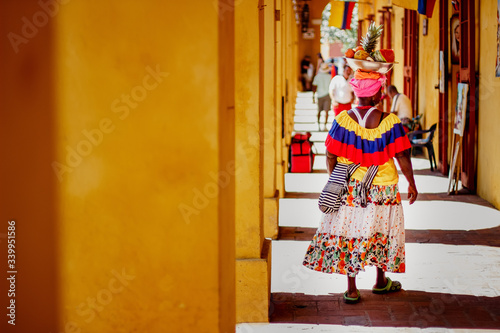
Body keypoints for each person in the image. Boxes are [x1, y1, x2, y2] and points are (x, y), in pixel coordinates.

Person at [303, 69, 418, 304]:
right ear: (378, 95)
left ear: (356, 92)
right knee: (381, 232)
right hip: (383, 188)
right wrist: (411, 182)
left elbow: (330, 154)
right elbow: (403, 155)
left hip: (351, 187)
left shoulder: (342, 120)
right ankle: (380, 281)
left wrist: (334, 178)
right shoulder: (390, 122)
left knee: (351, 233)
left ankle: (352, 289)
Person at [312, 62, 333, 131]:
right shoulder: (329, 77)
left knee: (319, 111)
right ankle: (325, 126)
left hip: (320, 95)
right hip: (327, 95)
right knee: (326, 111)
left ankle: (318, 125)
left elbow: (314, 87)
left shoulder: (317, 76)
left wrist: (313, 96)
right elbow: (332, 87)